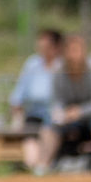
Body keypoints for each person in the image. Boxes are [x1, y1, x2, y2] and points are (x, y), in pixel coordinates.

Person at [36, 35, 91, 175]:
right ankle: (43, 165)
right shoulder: (58, 70)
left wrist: (80, 111)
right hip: (68, 115)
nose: (73, 55)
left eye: (77, 50)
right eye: (70, 50)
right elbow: (55, 100)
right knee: (50, 120)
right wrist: (62, 113)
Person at [9, 28, 63, 171]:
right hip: (34, 115)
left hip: (57, 117)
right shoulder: (32, 64)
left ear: (57, 47)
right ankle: (35, 166)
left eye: (46, 46)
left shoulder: (63, 66)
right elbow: (17, 95)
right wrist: (16, 116)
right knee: (31, 157)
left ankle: (44, 164)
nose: (42, 49)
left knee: (50, 129)